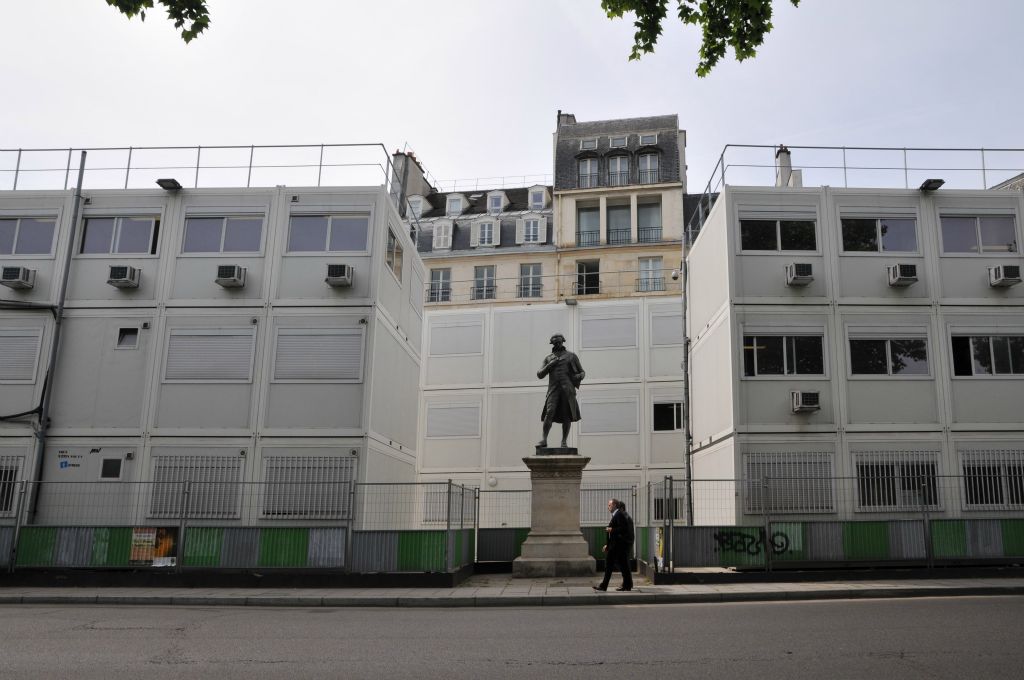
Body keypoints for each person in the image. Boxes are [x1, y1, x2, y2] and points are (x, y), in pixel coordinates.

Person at [537, 333, 585, 448]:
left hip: (567, 389)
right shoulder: (548, 358)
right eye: (555, 342)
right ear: (552, 343)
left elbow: (582, 372)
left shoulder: (571, 356)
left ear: (563, 341)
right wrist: (549, 365)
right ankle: (544, 439)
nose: (558, 344)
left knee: (566, 416)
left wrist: (578, 377)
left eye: (559, 342)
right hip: (553, 389)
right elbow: (539, 374)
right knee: (549, 412)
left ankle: (564, 441)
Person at [594, 497, 634, 592]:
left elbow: (623, 529)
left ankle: (604, 586)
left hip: (618, 546)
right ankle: (627, 585)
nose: (608, 507)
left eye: (610, 505)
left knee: (610, 565)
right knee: (622, 565)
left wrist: (611, 530)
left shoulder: (619, 514)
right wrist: (607, 545)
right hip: (615, 546)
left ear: (615, 505)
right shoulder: (616, 515)